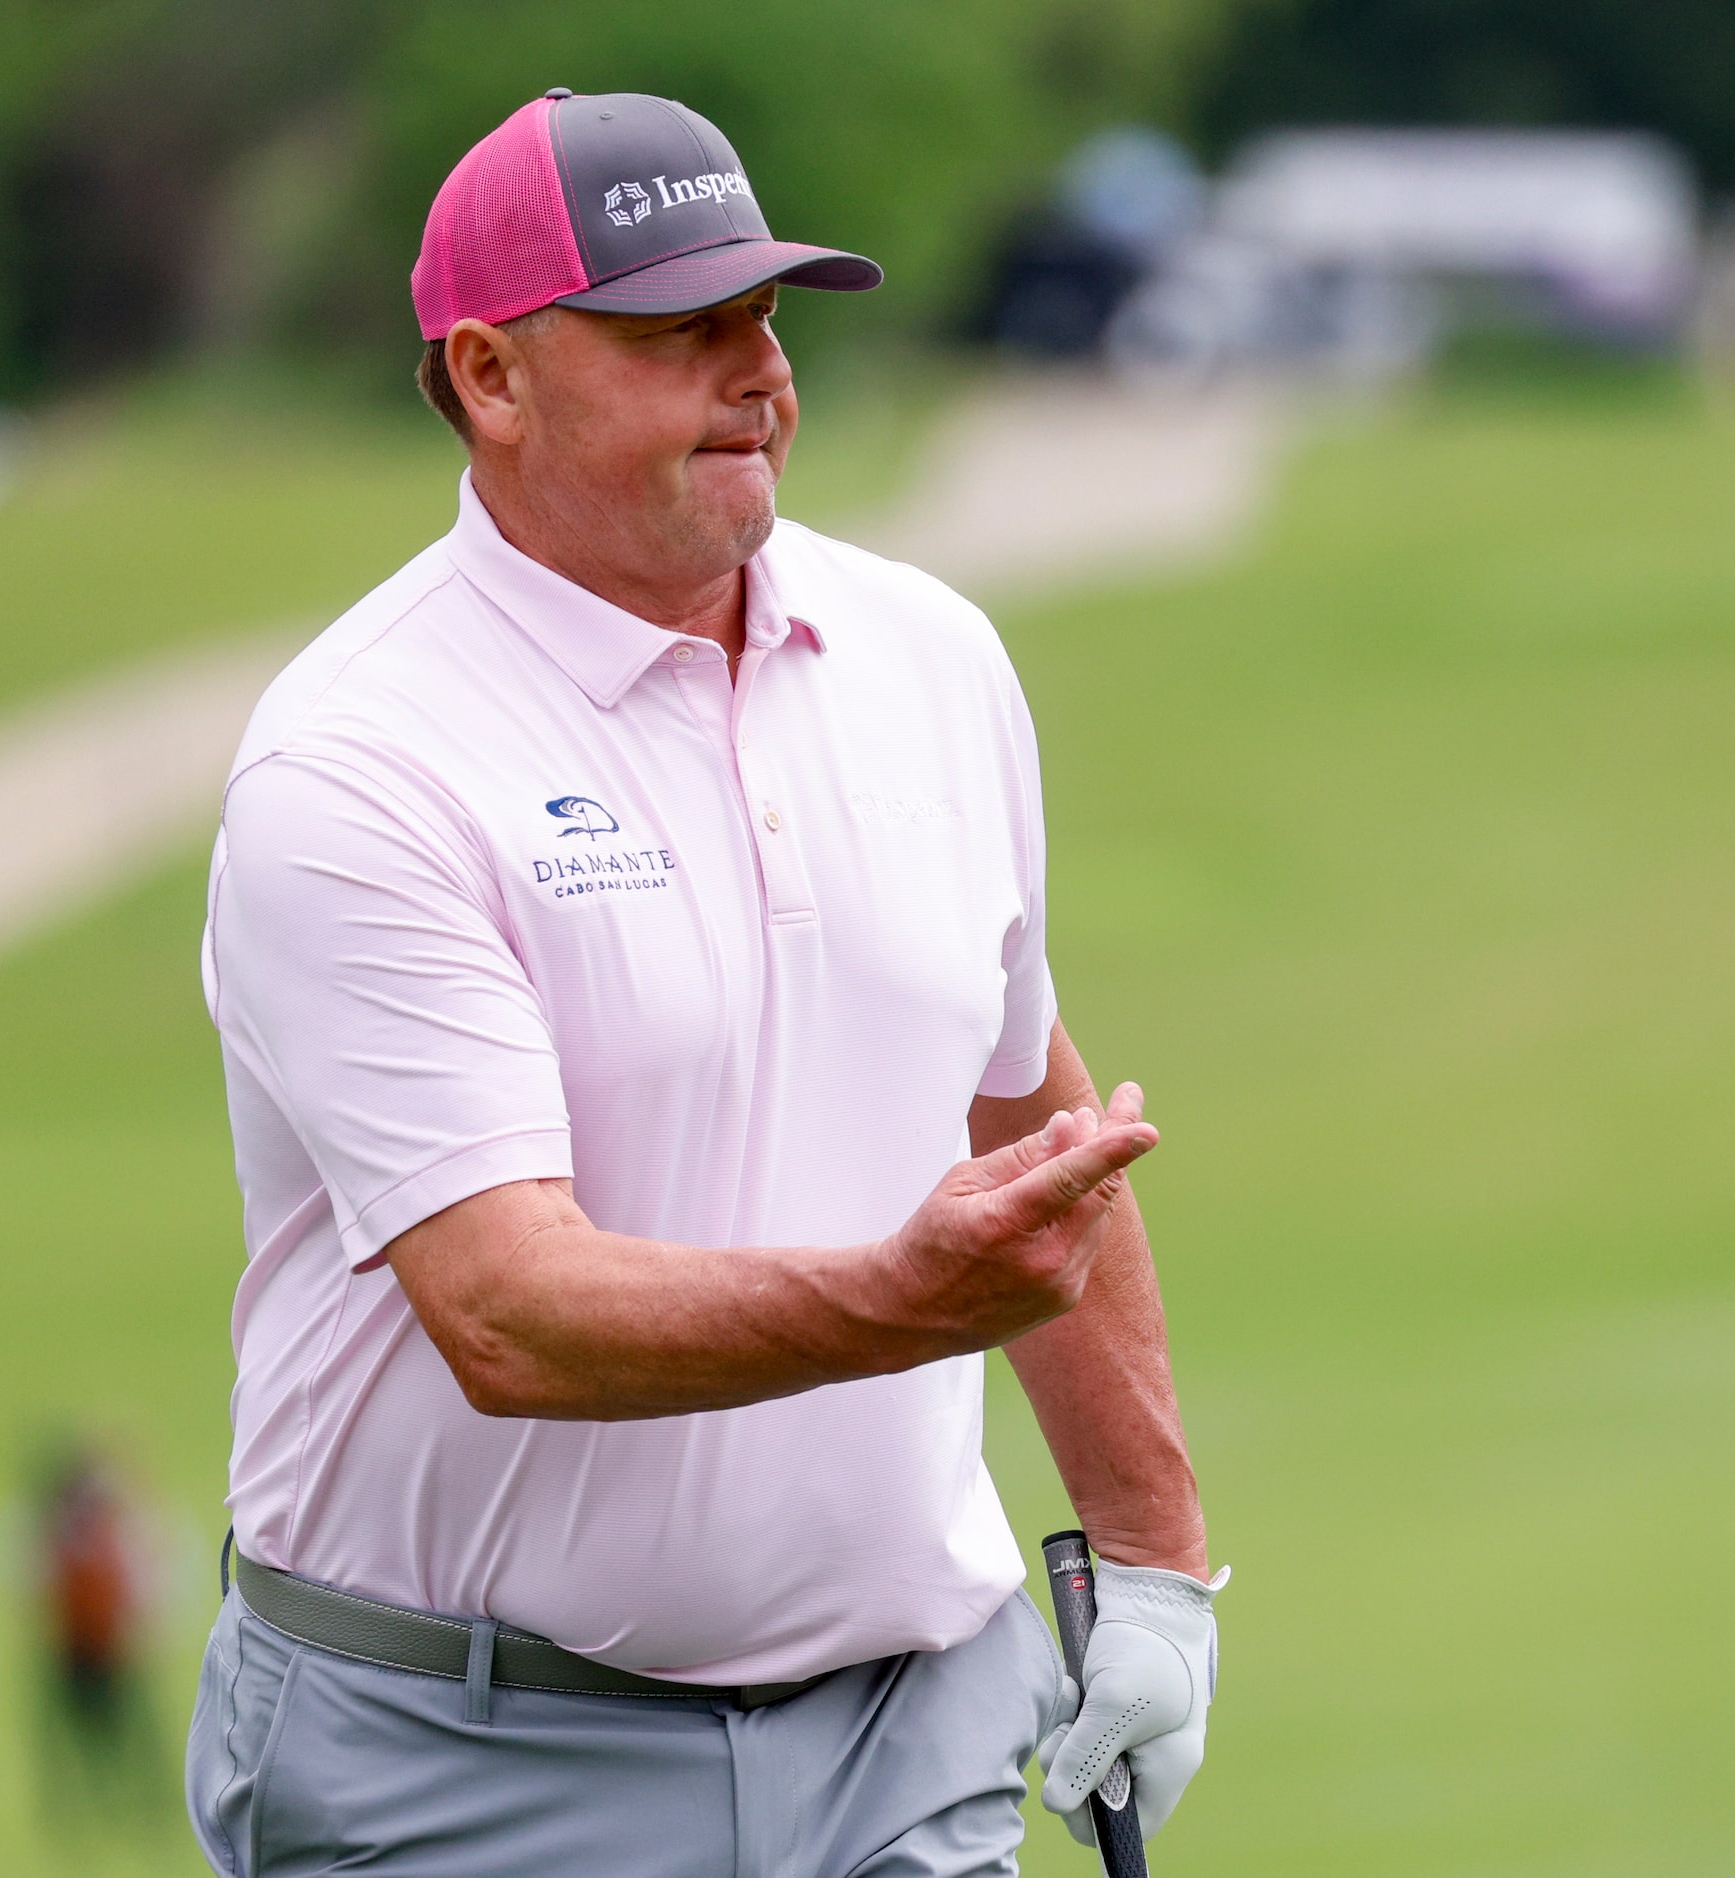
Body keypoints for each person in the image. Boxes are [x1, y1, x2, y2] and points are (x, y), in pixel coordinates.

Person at [181, 90, 1220, 1877]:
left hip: (910, 1737)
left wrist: (1152, 1561)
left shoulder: (931, 657)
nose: (759, 374)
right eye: (679, 333)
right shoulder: (359, 766)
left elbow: (1025, 1107)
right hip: (470, 1759)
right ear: (493, 377)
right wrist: (900, 1297)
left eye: (767, 319)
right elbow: (509, 1310)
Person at [30, 1434, 172, 1841]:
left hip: (101, 1649)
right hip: (79, 1649)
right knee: (83, 1739)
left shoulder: (88, 1529)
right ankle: (84, 1813)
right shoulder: (71, 1531)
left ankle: (144, 1805)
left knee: (124, 1735)